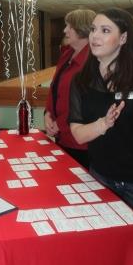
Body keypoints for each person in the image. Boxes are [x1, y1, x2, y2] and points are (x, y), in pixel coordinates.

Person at [69, 8, 133, 218]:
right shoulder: (81, 82)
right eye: (94, 29)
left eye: (105, 30)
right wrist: (102, 124)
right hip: (100, 178)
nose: (95, 36)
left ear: (123, 38)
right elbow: (77, 133)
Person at [44, 9, 96, 168]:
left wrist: (60, 122)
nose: (64, 30)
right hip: (62, 137)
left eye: (69, 26)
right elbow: (55, 89)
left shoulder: (94, 62)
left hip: (82, 144)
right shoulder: (67, 54)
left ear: (83, 29)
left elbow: (88, 104)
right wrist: (48, 114)